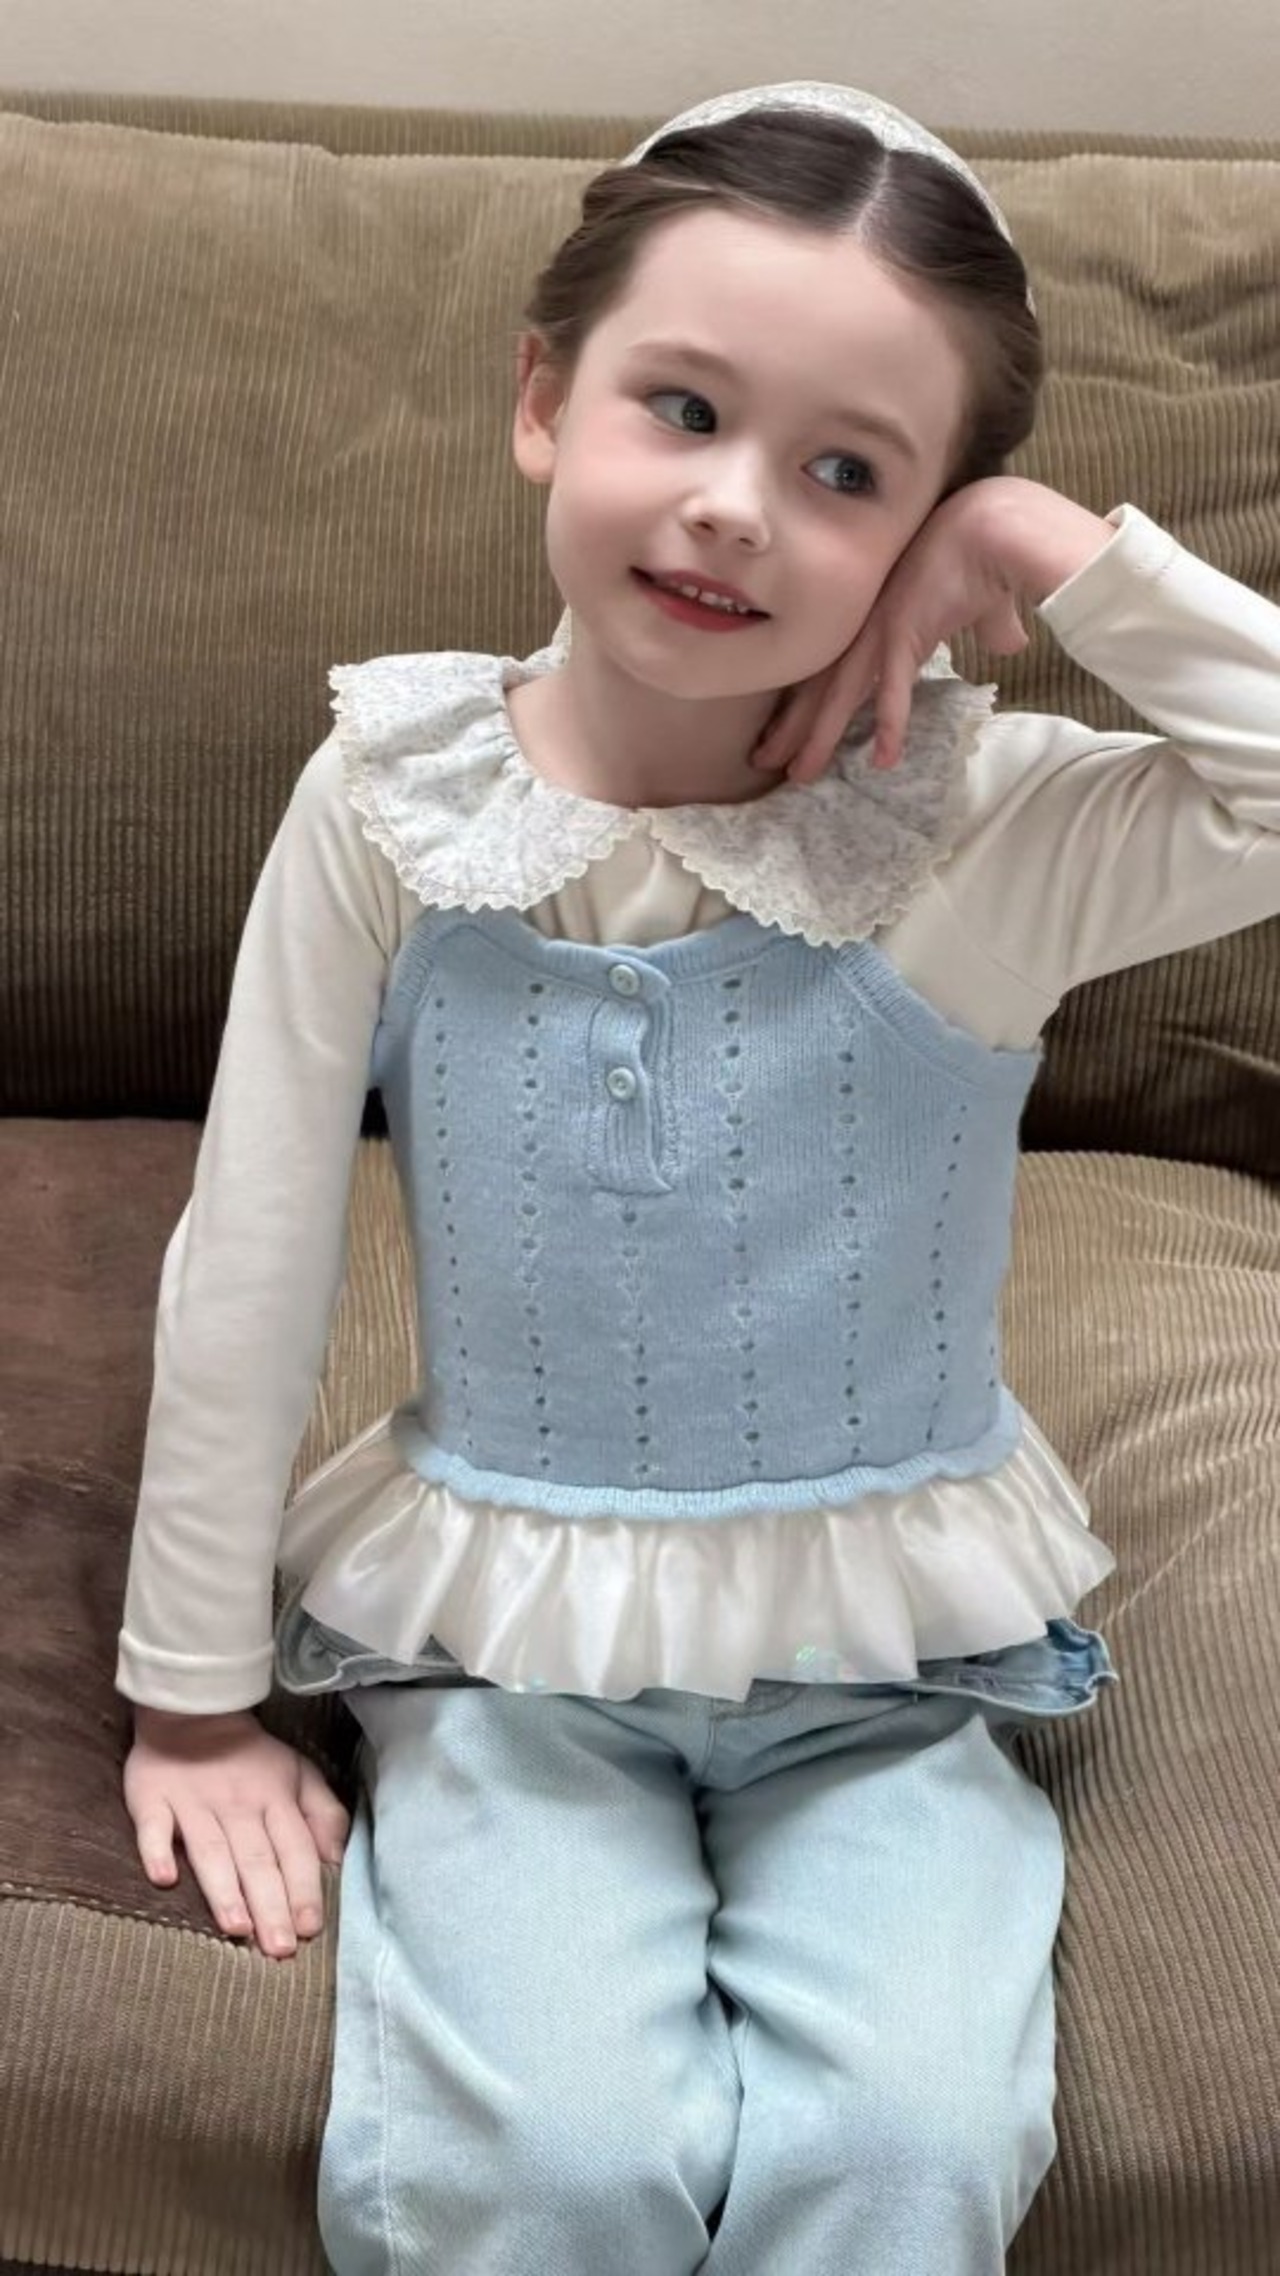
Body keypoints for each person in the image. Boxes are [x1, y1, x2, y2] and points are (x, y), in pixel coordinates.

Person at [115, 79, 1280, 2276]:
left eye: (851, 473)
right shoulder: (391, 801)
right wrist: (189, 1698)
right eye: (685, 408)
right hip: (507, 1660)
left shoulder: (984, 830)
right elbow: (253, 1242)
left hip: (886, 1673)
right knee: (546, 2159)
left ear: (928, 531)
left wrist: (1051, 549)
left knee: (907, 2146)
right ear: (544, 398)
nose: (737, 507)